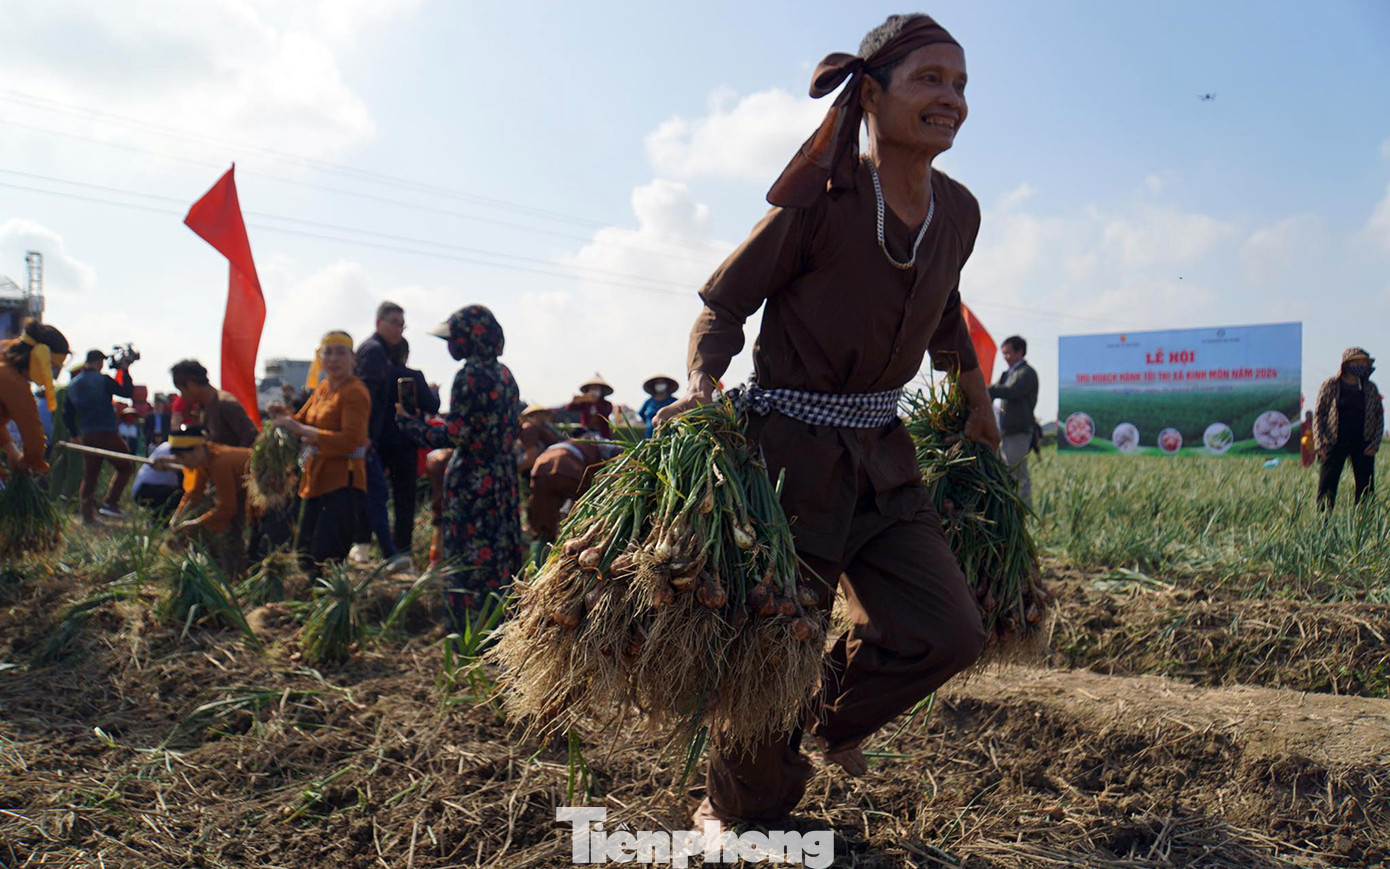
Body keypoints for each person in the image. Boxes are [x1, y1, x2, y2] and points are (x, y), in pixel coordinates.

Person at [655, 13, 995, 827]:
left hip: (885, 454)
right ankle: (737, 815)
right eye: (931, 81)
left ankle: (823, 720)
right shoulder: (820, 201)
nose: (951, 99)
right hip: (790, 461)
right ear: (871, 94)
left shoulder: (959, 212)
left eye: (961, 85)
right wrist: (703, 378)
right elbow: (723, 302)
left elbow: (944, 310)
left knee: (947, 629)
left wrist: (975, 398)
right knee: (775, 642)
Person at [396, 306, 524, 624]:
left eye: (455, 339)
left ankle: (468, 632)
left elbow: (458, 434)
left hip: (473, 483)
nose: (451, 347)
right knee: (499, 557)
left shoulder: (469, 375)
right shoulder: (505, 374)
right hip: (503, 479)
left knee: (469, 560)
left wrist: (411, 425)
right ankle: (499, 626)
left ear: (469, 340)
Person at [274, 331, 371, 574]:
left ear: (352, 358)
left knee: (326, 557)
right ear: (320, 357)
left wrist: (303, 429)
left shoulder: (354, 392)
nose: (334, 358)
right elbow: (300, 421)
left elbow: (350, 440)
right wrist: (283, 416)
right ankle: (311, 604)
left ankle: (328, 603)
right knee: (304, 552)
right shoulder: (323, 388)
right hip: (315, 479)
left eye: (341, 352)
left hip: (343, 483)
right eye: (328, 352)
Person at [352, 300, 408, 568]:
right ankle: (387, 553)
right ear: (379, 322)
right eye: (393, 323)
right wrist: (364, 434)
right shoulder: (374, 351)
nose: (399, 329)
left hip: (367, 436)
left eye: (401, 324)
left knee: (371, 494)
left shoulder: (379, 351)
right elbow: (366, 397)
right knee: (375, 494)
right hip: (365, 437)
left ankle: (368, 548)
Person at [379, 337, 440, 557]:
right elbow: (432, 406)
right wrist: (433, 392)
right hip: (405, 442)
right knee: (404, 499)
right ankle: (402, 550)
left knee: (376, 497)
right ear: (406, 353)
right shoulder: (414, 376)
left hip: (378, 443)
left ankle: (375, 546)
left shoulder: (378, 377)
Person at [164, 425, 251, 577]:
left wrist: (196, 523)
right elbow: (194, 493)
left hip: (266, 493)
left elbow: (227, 508)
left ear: (197, 449)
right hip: (241, 493)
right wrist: (177, 517)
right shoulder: (204, 460)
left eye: (182, 458)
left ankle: (237, 575)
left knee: (240, 537)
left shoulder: (219, 463)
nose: (182, 463)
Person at [67, 348, 136, 523]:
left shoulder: (73, 384)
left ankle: (87, 515)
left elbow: (67, 414)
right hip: (107, 432)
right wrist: (125, 370)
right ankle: (110, 503)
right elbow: (127, 392)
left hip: (87, 434)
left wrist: (74, 434)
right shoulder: (103, 380)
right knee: (126, 467)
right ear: (99, 363)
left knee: (90, 476)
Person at [1313, 347, 1382, 510]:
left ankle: (1364, 526)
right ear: (1346, 364)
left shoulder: (1370, 388)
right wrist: (1320, 442)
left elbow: (1379, 417)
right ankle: (1323, 525)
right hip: (1334, 442)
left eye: (1363, 363)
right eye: (1356, 362)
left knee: (1366, 489)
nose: (1360, 365)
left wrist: (1375, 443)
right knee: (1327, 487)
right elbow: (1319, 414)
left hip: (1363, 443)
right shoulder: (1331, 385)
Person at [0, 319, 69, 480]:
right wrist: (32, 461)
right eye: (51, 367)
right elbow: (33, 434)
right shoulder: (13, 382)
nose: (51, 374)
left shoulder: (5, 365)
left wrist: (9, 447)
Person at [526, 437, 624, 544]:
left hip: (540, 467)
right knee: (586, 506)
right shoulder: (601, 448)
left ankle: (542, 551)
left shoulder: (572, 443)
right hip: (566, 466)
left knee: (544, 521)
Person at [988, 335, 1039, 506]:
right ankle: (1012, 508)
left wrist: (989, 390)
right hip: (1005, 431)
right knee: (1007, 471)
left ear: (1019, 352)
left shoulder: (1026, 373)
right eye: (1003, 353)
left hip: (1018, 431)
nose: (1005, 357)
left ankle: (1023, 511)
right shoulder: (1007, 374)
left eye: (1008, 353)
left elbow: (1012, 391)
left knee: (1017, 472)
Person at [169, 359, 257, 448]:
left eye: (181, 391)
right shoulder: (204, 407)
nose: (182, 397)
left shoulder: (225, 405)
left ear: (191, 385)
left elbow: (252, 438)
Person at [132, 440, 184, 518]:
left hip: (144, 489)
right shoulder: (175, 449)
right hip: (145, 490)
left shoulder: (170, 445)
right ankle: (158, 520)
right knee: (179, 496)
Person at [517, 404, 563, 476]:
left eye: (541, 413)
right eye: (533, 415)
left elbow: (530, 459)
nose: (538, 416)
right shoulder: (532, 429)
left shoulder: (535, 429)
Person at [562, 375, 614, 439]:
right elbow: (569, 408)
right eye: (592, 388)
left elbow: (604, 412)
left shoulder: (607, 404)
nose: (593, 390)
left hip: (602, 435)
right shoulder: (585, 403)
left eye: (596, 388)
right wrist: (575, 401)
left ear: (601, 391)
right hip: (585, 432)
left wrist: (596, 401)